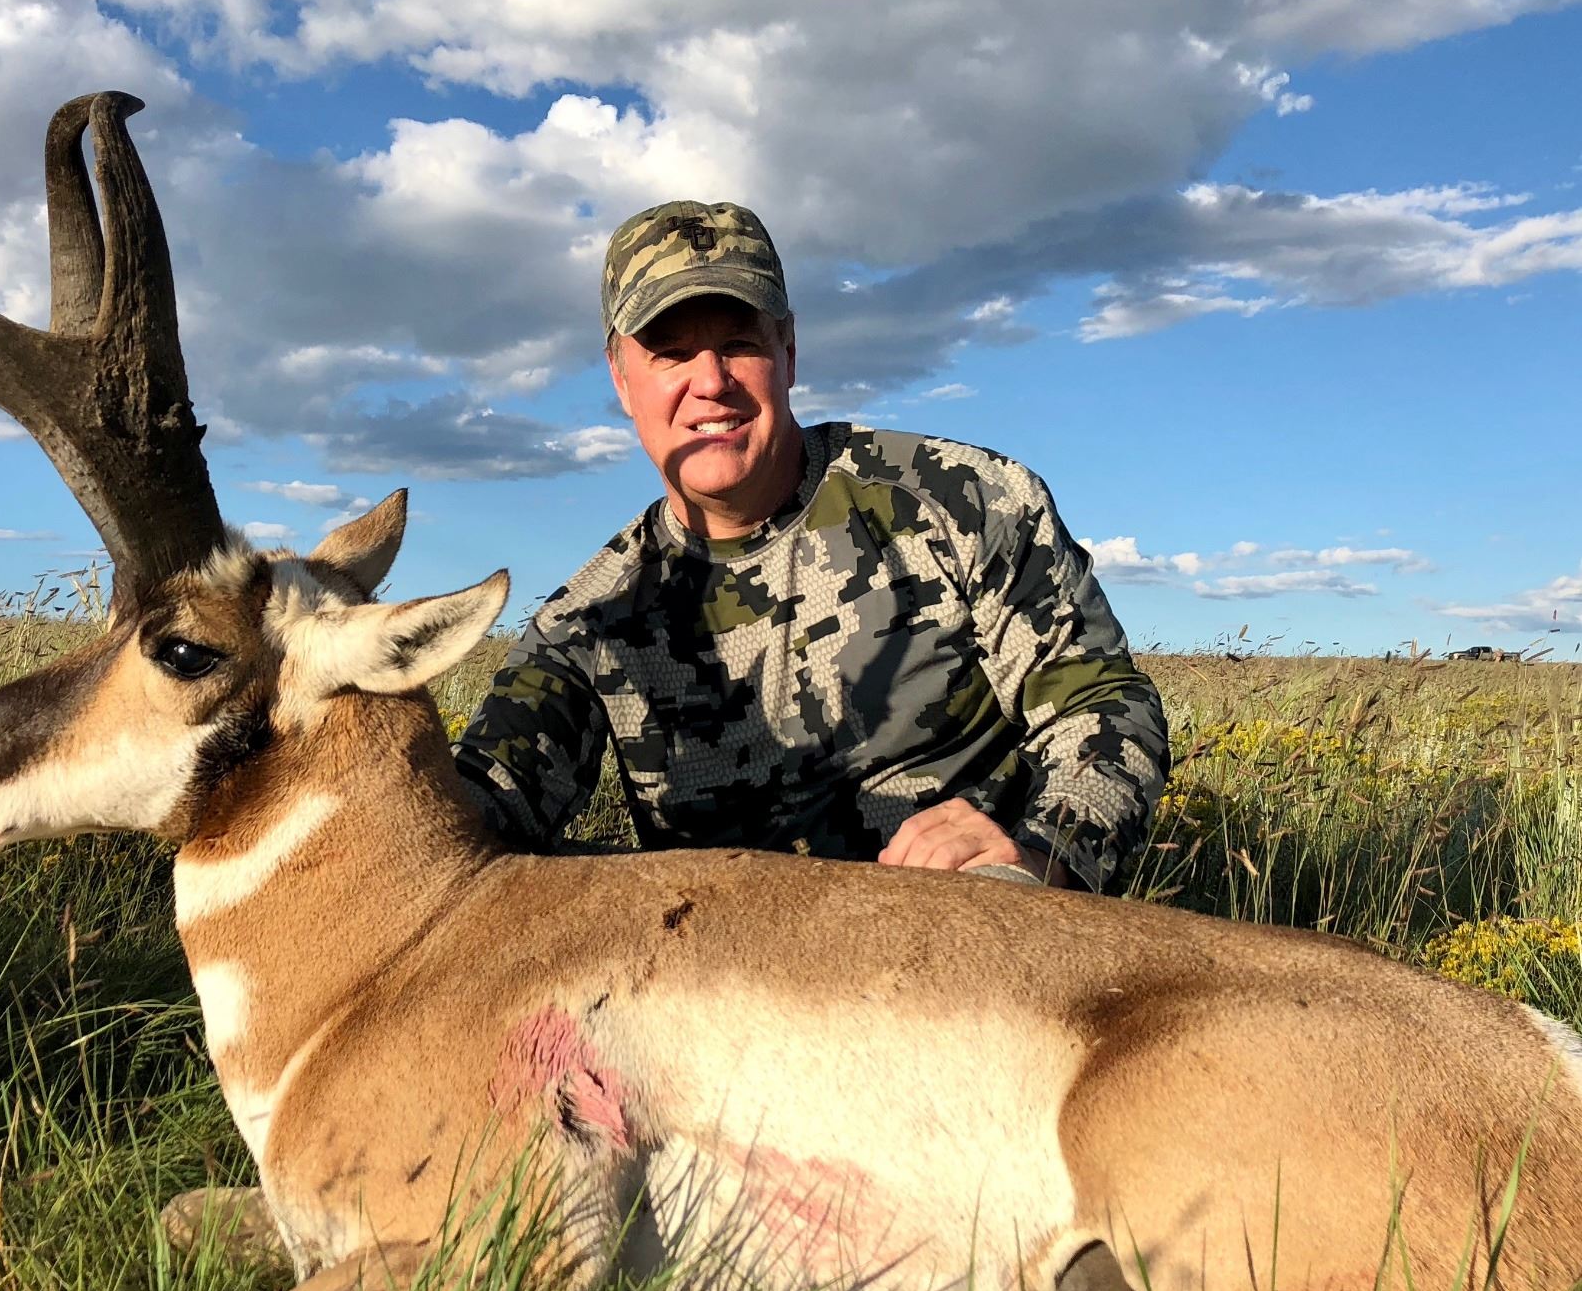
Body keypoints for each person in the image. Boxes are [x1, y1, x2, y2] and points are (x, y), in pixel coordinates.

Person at [452, 201, 1168, 892]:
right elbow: (476, 805)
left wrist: (1042, 855)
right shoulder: (586, 624)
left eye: (739, 344)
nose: (711, 382)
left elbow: (1105, 703)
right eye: (670, 353)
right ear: (620, 378)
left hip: (966, 932)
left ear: (788, 351)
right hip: (734, 964)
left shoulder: (961, 500)